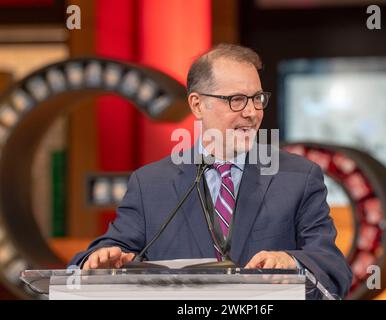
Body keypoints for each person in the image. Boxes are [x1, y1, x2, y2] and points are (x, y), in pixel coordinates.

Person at [69, 44, 352, 298]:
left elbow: (333, 269)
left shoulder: (298, 178)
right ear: (197, 104)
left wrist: (291, 262)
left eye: (257, 99)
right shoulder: (150, 183)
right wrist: (98, 260)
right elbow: (108, 251)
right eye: (236, 100)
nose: (252, 112)